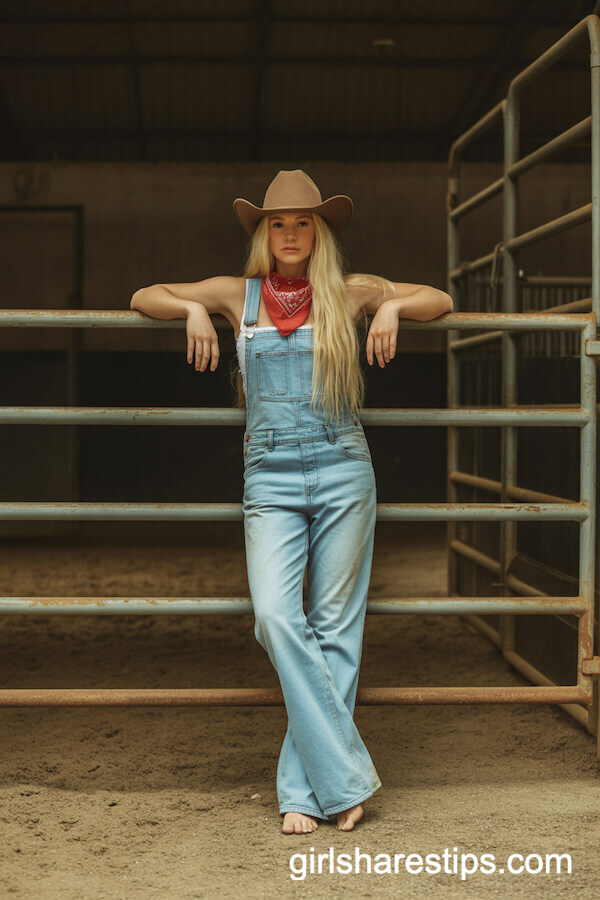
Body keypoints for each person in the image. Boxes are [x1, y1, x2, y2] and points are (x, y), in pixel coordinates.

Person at [130, 169, 453, 835]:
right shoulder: (237, 294)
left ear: (319, 232)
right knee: (277, 618)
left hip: (342, 466)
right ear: (263, 233)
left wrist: (392, 308)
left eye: (303, 222)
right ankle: (346, 778)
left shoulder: (349, 291)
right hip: (270, 476)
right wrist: (192, 311)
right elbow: (144, 294)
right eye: (277, 222)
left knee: (335, 627)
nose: (290, 233)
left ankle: (303, 791)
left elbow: (440, 298)